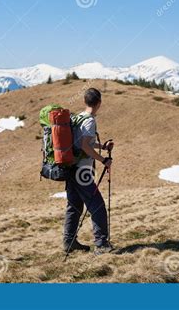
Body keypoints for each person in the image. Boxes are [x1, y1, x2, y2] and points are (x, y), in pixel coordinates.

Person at [63, 88, 114, 255]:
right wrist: (103, 160)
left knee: (74, 206)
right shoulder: (90, 121)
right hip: (82, 171)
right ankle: (101, 244)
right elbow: (85, 146)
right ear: (99, 103)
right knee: (98, 206)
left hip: (70, 168)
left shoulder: (78, 117)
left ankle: (69, 242)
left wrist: (102, 146)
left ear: (85, 101)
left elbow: (81, 143)